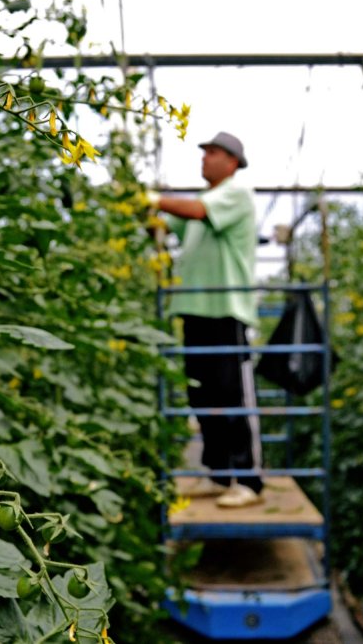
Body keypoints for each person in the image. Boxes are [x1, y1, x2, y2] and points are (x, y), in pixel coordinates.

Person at [147, 131, 262, 508]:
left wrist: (152, 198)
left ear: (232, 162)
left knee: (230, 395)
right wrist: (151, 217)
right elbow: (174, 224)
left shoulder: (234, 195)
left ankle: (248, 480)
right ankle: (219, 474)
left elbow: (195, 212)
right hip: (194, 310)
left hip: (225, 309)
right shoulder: (203, 203)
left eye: (212, 152)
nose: (204, 158)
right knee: (202, 395)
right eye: (203, 153)